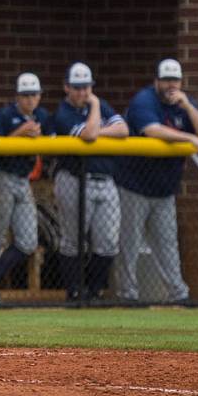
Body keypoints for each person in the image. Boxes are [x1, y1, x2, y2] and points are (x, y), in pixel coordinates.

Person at [112, 59, 198, 303]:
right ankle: (128, 295)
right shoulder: (144, 100)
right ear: (156, 81)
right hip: (133, 184)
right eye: (166, 80)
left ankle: (179, 295)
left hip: (165, 188)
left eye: (175, 80)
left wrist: (189, 108)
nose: (171, 85)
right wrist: (188, 138)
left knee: (168, 243)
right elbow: (152, 130)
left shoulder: (183, 102)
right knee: (130, 244)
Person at [46, 62, 128, 300]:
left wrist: (97, 124)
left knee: (108, 243)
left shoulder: (100, 105)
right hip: (74, 179)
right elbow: (89, 134)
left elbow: (123, 129)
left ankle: (94, 291)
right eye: (77, 88)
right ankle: (74, 292)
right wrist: (95, 108)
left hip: (105, 180)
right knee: (73, 240)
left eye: (86, 87)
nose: (83, 93)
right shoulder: (63, 113)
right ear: (66, 88)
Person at [0, 73, 50, 304]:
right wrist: (21, 132)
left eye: (34, 95)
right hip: (1, 177)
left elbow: (52, 140)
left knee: (27, 241)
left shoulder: (43, 116)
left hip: (23, 179)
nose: (30, 100)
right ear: (17, 96)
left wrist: (39, 135)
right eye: (25, 95)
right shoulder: (3, 116)